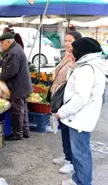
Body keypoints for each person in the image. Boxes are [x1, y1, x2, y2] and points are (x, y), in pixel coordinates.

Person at [56, 37, 107, 185]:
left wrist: (62, 112)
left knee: (80, 153)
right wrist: (72, 67)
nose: (72, 52)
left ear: (83, 51)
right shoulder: (88, 65)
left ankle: (83, 182)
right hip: (82, 116)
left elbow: (80, 97)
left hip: (79, 117)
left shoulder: (86, 69)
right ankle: (78, 179)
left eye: (74, 50)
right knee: (80, 151)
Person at [50, 31, 82, 175]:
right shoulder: (67, 56)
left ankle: (71, 161)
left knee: (70, 131)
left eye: (71, 41)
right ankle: (66, 155)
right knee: (64, 130)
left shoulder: (78, 59)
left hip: (68, 100)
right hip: (60, 98)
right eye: (66, 40)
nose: (67, 43)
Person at [0, 32, 32, 140]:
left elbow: (11, 71)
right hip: (22, 84)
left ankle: (18, 134)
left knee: (18, 110)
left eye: (2, 43)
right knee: (22, 109)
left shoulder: (14, 52)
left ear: (8, 42)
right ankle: (25, 131)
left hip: (18, 86)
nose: (1, 45)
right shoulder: (16, 48)